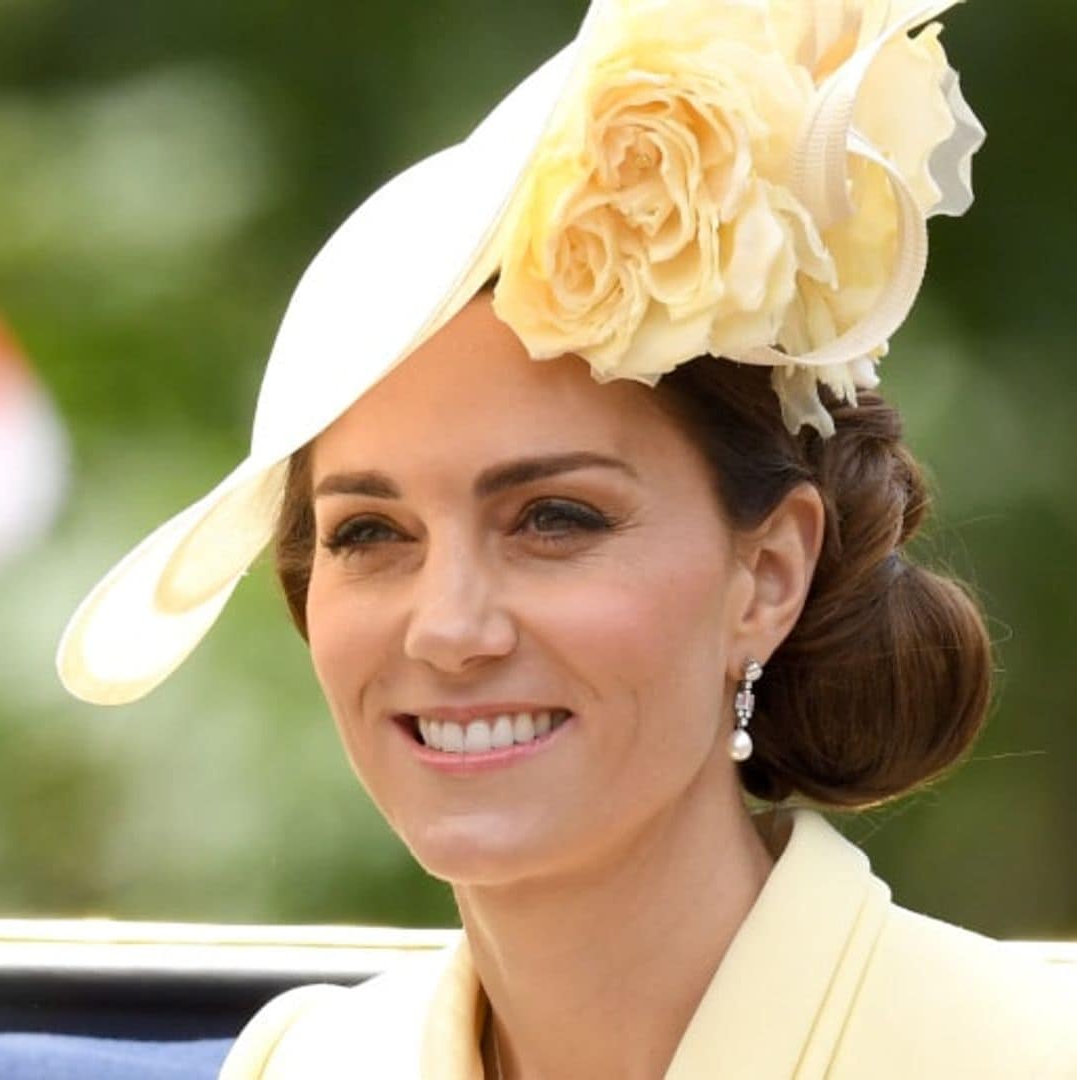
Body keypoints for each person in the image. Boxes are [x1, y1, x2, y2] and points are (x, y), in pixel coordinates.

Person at [57, 0, 1076, 1076]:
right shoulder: (302, 1062)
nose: (449, 629)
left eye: (554, 519)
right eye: (369, 532)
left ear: (767, 576)